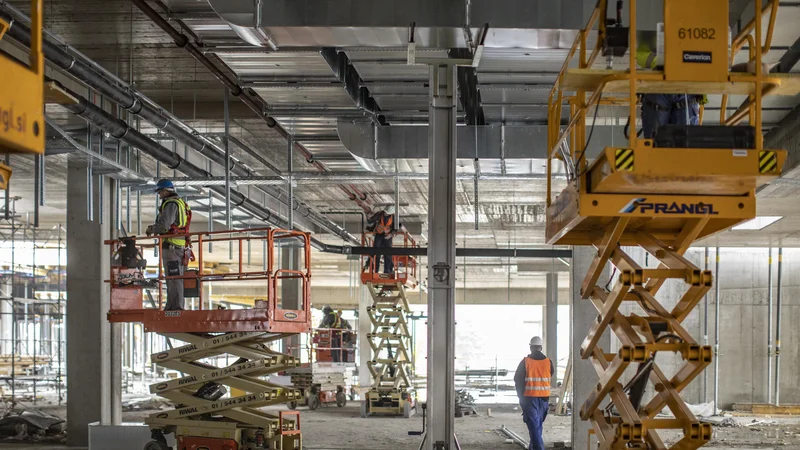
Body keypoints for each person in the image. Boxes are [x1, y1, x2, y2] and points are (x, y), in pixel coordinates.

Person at [636, 43, 708, 139]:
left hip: (685, 87)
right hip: (659, 85)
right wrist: (666, 61)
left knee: (686, 145)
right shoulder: (652, 33)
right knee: (657, 144)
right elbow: (641, 54)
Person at [146, 179, 191, 311]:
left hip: (172, 247)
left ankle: (176, 307)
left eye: (160, 192)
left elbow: (164, 226)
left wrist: (152, 229)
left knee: (174, 278)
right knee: (174, 278)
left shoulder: (171, 204)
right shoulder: (180, 202)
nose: (159, 195)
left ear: (165, 191)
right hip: (179, 246)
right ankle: (172, 306)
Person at [514, 336, 554, 450]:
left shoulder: (525, 362)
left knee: (534, 426)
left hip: (530, 398)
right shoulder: (548, 362)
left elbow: (517, 379)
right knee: (537, 426)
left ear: (531, 347)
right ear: (541, 347)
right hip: (544, 398)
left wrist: (520, 396)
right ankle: (533, 447)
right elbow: (550, 374)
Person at [366, 205, 397, 274]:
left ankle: (388, 271)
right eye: (385, 212)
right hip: (379, 234)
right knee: (376, 251)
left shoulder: (394, 218)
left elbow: (396, 228)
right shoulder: (380, 214)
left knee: (388, 253)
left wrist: (391, 234)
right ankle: (375, 270)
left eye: (387, 213)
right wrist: (368, 216)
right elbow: (370, 221)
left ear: (391, 213)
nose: (385, 213)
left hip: (388, 236)